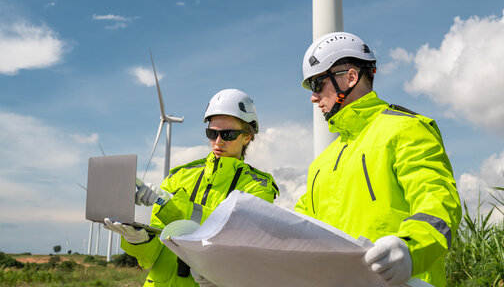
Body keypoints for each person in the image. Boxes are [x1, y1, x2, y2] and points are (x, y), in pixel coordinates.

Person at [294, 32, 462, 287]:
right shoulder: (321, 163)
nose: (313, 97)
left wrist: (410, 247)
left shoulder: (406, 128)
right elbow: (299, 227)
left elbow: (439, 204)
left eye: (317, 84)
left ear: (350, 77)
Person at [105, 89, 279, 287]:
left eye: (228, 134)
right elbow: (151, 257)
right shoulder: (178, 176)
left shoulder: (258, 187)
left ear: (247, 137)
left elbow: (236, 237)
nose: (218, 141)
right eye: (212, 133)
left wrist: (168, 204)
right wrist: (138, 241)